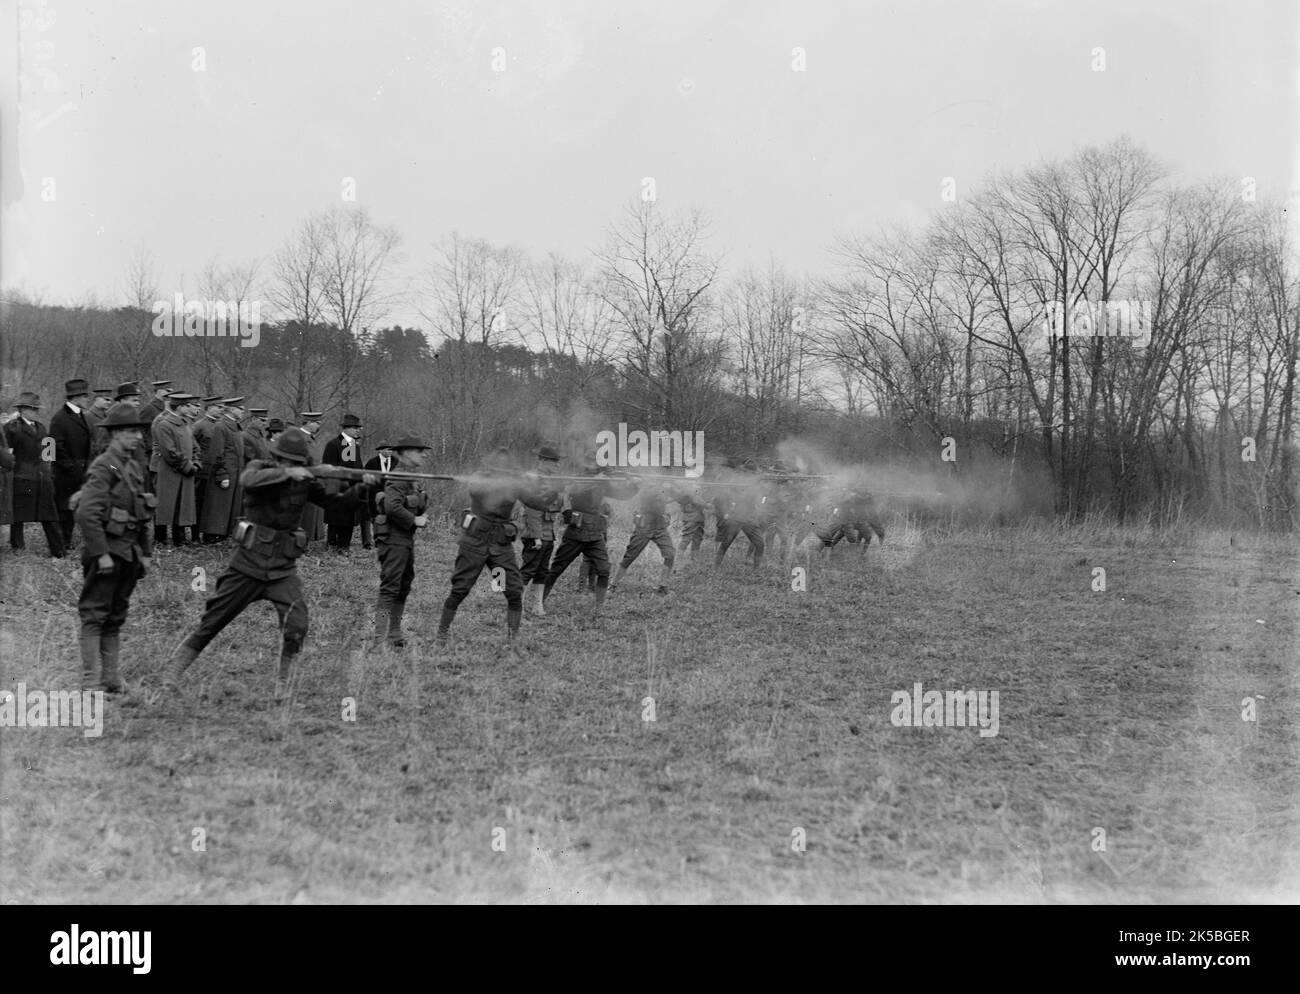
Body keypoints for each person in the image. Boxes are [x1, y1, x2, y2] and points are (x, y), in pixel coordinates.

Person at [164, 428, 377, 700]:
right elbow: (248, 479)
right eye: (288, 462)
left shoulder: (306, 481)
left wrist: (362, 487)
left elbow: (336, 506)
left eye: (297, 463)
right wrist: (287, 474)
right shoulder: (260, 469)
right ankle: (172, 673)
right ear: (277, 458)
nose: (293, 467)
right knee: (213, 621)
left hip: (282, 569)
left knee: (296, 626)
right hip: (247, 565)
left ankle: (283, 687)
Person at [74, 403, 156, 692]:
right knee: (95, 615)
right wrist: (101, 553)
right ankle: (91, 682)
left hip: (128, 553)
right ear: (117, 434)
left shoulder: (133, 467)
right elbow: (87, 513)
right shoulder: (104, 465)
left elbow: (142, 513)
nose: (138, 438)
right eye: (132, 432)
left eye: (139, 432)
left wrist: (145, 553)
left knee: (116, 615)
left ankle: (110, 679)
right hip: (108, 552)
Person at [436, 447, 553, 647]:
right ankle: (442, 635)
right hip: (474, 542)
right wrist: (507, 483)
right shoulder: (480, 478)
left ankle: (512, 640)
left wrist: (550, 488)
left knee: (514, 591)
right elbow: (476, 490)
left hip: (500, 545)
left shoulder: (516, 483)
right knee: (460, 589)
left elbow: (539, 503)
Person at [541, 465, 638, 612]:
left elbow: (622, 495)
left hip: (594, 534)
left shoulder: (602, 483)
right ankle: (538, 603)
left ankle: (599, 608)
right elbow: (576, 490)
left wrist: (634, 484)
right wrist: (598, 479)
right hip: (575, 533)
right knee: (556, 569)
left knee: (604, 569)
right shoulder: (580, 480)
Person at [372, 435, 431, 647]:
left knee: (403, 586)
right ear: (405, 453)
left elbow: (416, 504)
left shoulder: (412, 478)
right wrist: (414, 519)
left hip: (405, 539)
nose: (424, 454)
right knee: (390, 588)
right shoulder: (398, 477)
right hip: (393, 539)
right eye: (419, 451)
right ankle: (379, 638)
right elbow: (391, 506)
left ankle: (394, 634)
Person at [3, 392, 66, 557]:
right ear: (22, 409)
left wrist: (48, 472)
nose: (35, 411)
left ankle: (59, 552)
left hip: (42, 478)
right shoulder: (11, 428)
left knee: (50, 516)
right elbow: (7, 456)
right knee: (18, 517)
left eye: (36, 409)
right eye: (31, 408)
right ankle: (18, 550)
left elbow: (49, 454)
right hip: (21, 478)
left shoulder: (41, 427)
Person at [517, 445, 564, 615]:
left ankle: (537, 606)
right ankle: (517, 605)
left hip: (548, 532)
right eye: (553, 462)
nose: (556, 466)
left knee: (542, 571)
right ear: (543, 461)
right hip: (535, 533)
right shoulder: (533, 479)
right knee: (529, 569)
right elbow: (532, 510)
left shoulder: (552, 480)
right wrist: (536, 537)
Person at [151, 392, 202, 548]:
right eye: (187, 405)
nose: (190, 408)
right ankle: (163, 540)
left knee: (182, 505)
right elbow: (169, 452)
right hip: (172, 472)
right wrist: (188, 467)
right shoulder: (164, 424)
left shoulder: (186, 423)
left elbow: (195, 447)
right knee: (169, 505)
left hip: (186, 471)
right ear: (180, 407)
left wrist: (197, 463)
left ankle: (179, 539)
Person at [49, 377, 95, 548]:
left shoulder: (81, 415)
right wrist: (73, 468)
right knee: (65, 512)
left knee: (74, 510)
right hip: (65, 475)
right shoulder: (59, 418)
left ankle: (66, 544)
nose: (87, 399)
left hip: (80, 472)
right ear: (75, 397)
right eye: (85, 396)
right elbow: (53, 448)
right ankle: (61, 546)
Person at [611, 479, 675, 594]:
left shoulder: (664, 486)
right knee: (630, 556)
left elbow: (681, 496)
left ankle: (663, 586)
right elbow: (652, 500)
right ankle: (613, 585)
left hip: (660, 525)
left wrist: (681, 488)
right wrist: (665, 489)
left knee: (670, 554)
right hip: (645, 525)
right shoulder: (647, 486)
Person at [199, 397, 246, 541]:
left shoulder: (235, 426)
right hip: (225, 473)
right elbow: (217, 453)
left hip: (235, 472)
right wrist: (222, 475)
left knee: (229, 506)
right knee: (218, 505)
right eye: (240, 409)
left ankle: (224, 534)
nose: (243, 411)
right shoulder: (221, 426)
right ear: (232, 410)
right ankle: (211, 535)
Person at [323, 413, 366, 553]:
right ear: (346, 428)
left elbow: (357, 467)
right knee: (336, 518)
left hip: (353, 489)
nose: (358, 430)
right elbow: (328, 469)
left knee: (349, 518)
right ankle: (332, 544)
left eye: (359, 428)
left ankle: (344, 546)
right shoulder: (333, 444)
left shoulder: (354, 445)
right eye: (355, 428)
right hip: (338, 490)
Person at [192, 397, 225, 529]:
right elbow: (192, 446)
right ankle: (195, 533)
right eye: (219, 407)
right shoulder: (199, 425)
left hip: (216, 471)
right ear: (209, 408)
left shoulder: (221, 426)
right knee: (198, 502)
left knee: (213, 503)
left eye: (223, 408)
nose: (222, 410)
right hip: (202, 472)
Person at [297, 412, 326, 545]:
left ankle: (306, 543)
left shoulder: (310, 438)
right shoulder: (299, 438)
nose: (319, 426)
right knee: (304, 517)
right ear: (308, 423)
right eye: (316, 423)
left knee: (310, 515)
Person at [673, 483, 709, 561]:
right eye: (698, 487)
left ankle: (694, 558)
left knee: (697, 538)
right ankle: (678, 558)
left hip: (697, 519)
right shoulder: (692, 495)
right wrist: (708, 505)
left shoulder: (689, 495)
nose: (699, 489)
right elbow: (703, 504)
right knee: (686, 538)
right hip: (693, 519)